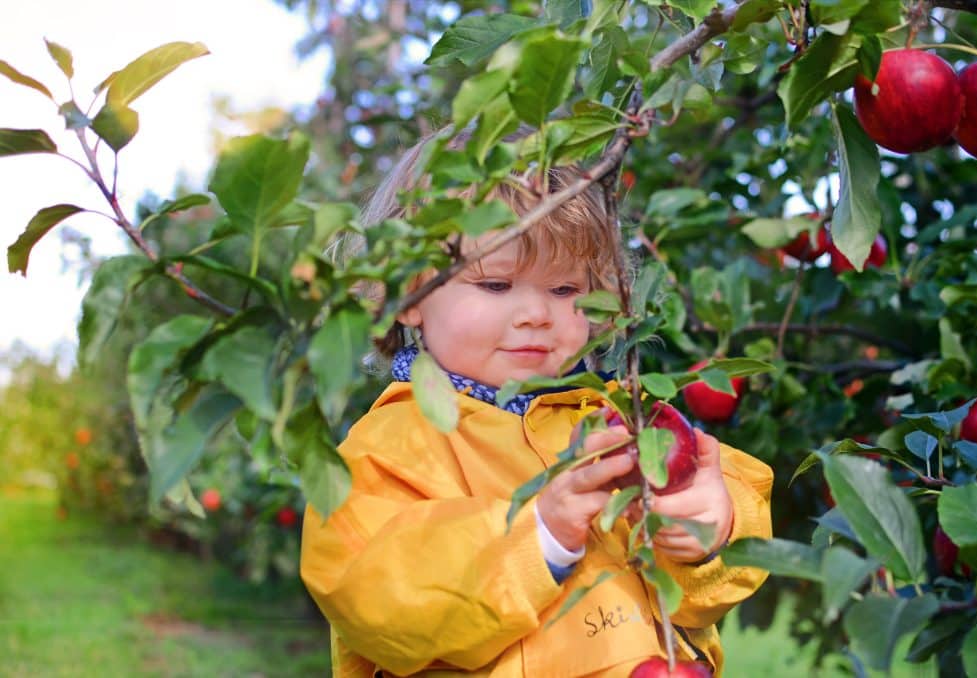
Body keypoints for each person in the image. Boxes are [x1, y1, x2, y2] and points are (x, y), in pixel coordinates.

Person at [300, 130, 774, 677]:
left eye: (566, 290)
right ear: (409, 294)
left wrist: (711, 529)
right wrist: (536, 537)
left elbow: (710, 584)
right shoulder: (387, 451)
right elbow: (374, 594)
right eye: (496, 285)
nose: (536, 314)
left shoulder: (625, 421)